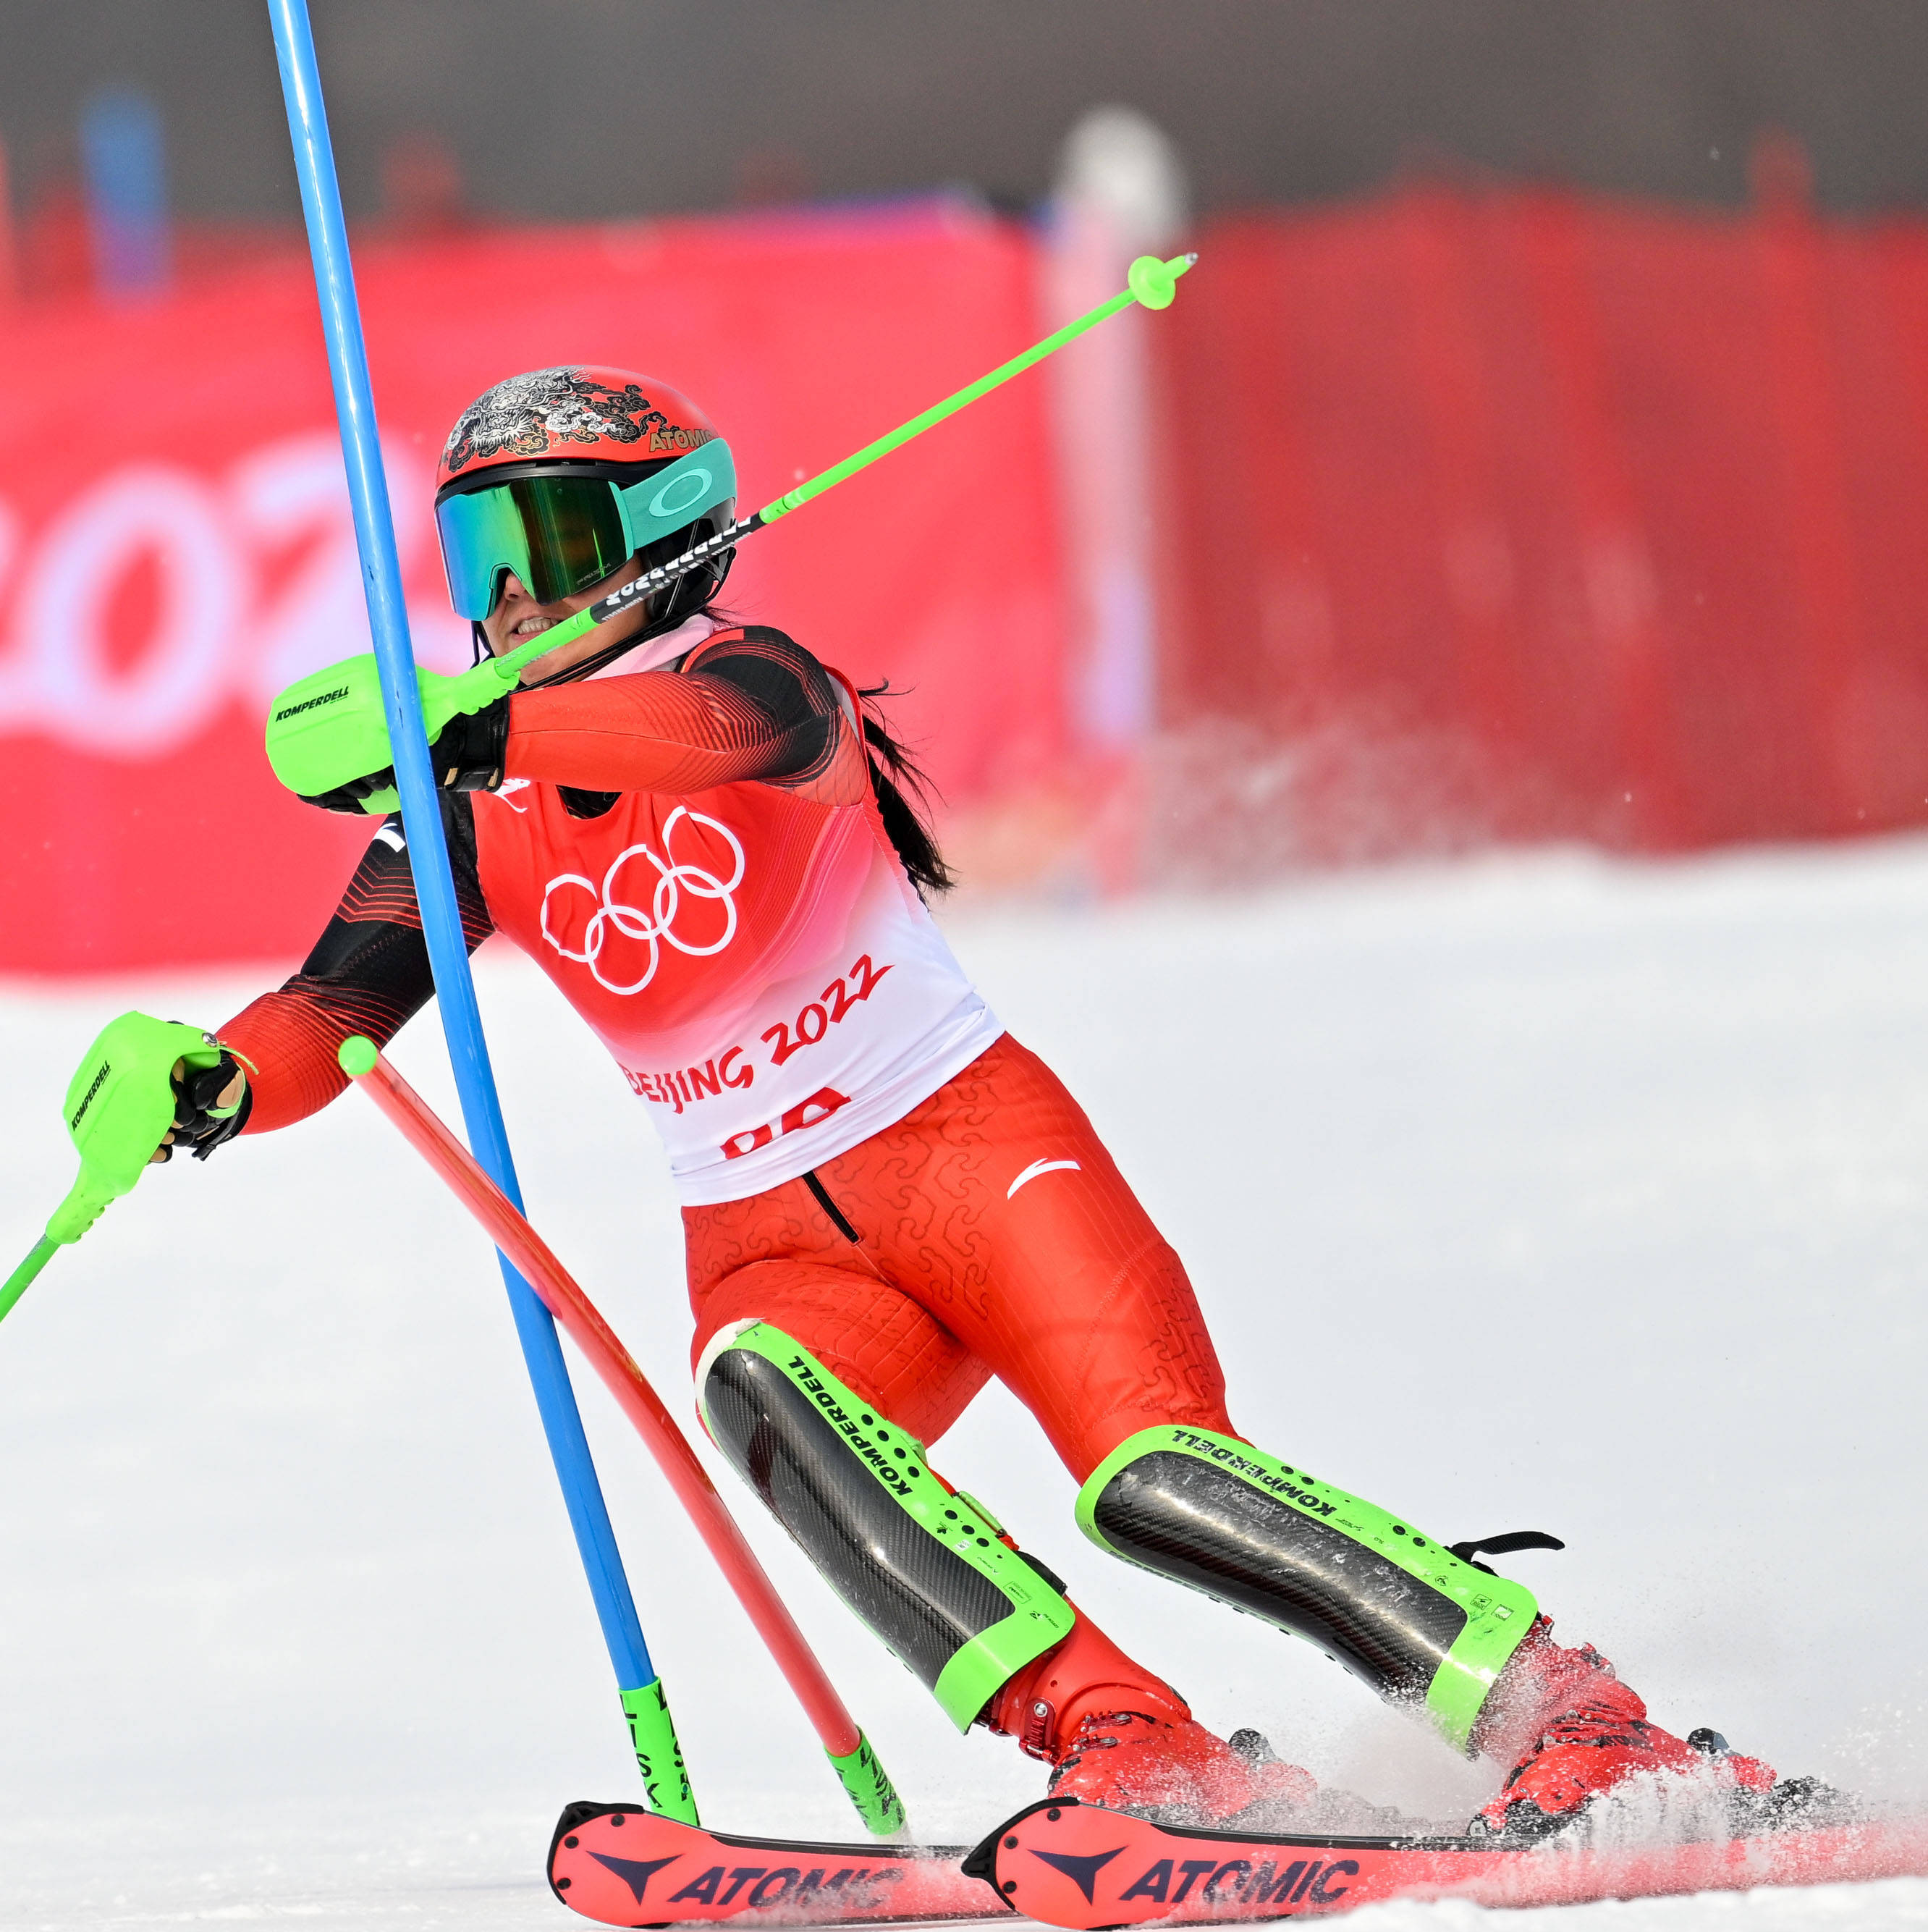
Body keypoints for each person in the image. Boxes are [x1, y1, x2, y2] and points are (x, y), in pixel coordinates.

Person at [99, 363, 1779, 1838]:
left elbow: (710, 733)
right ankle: (1127, 1744)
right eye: (481, 563)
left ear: (662, 536)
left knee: (1151, 1478)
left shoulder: (755, 680)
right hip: (768, 1239)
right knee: (760, 1396)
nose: (513, 599)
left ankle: (1577, 1720)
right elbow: (333, 1006)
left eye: (548, 549)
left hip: (973, 1157)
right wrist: (211, 1081)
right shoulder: (471, 796)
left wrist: (488, 724)